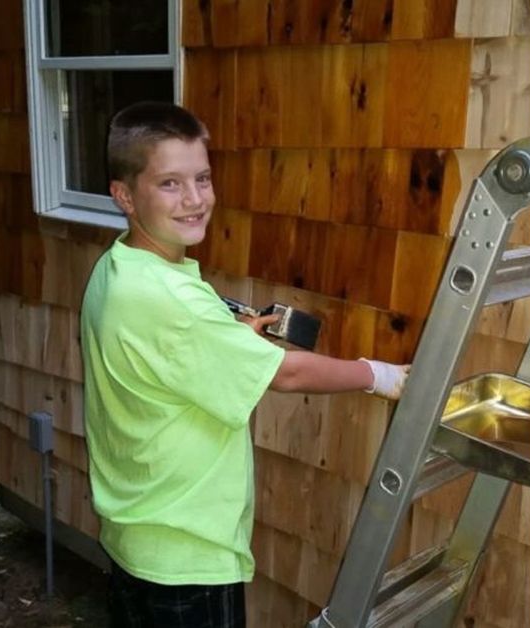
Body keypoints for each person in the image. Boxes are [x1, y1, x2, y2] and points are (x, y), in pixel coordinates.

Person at [80, 101, 409, 627]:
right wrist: (383, 376)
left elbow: (171, 349)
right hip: (186, 558)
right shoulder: (171, 301)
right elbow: (288, 373)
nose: (194, 200)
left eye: (203, 179)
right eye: (170, 184)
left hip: (138, 538)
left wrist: (225, 339)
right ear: (124, 195)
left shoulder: (119, 268)